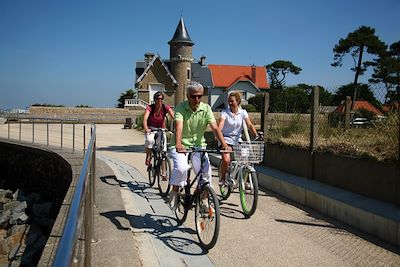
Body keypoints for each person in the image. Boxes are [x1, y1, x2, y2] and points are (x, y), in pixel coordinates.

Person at [168, 81, 229, 210]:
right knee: (182, 168)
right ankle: (175, 191)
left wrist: (224, 144)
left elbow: (215, 128)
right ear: (187, 96)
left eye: (199, 96)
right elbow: (179, 126)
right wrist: (178, 144)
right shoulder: (180, 107)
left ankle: (204, 199)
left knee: (206, 173)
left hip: (198, 146)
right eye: (193, 96)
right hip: (181, 145)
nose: (197, 99)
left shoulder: (206, 108)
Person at [218, 91, 259, 185]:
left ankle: (245, 180)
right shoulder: (225, 112)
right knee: (226, 159)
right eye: (229, 101)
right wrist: (219, 134)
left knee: (246, 159)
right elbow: (221, 125)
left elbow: (249, 125)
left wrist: (256, 135)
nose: (230, 103)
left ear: (238, 102)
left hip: (237, 140)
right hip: (226, 139)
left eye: (232, 101)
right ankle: (223, 178)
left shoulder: (243, 112)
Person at [143, 92, 174, 171]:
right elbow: (145, 119)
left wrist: (177, 126)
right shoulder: (150, 107)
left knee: (163, 150)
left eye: (161, 99)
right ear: (154, 100)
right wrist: (146, 128)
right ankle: (148, 156)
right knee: (149, 140)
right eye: (157, 99)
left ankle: (164, 172)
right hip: (151, 128)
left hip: (161, 129)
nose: (159, 100)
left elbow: (174, 117)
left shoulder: (165, 107)